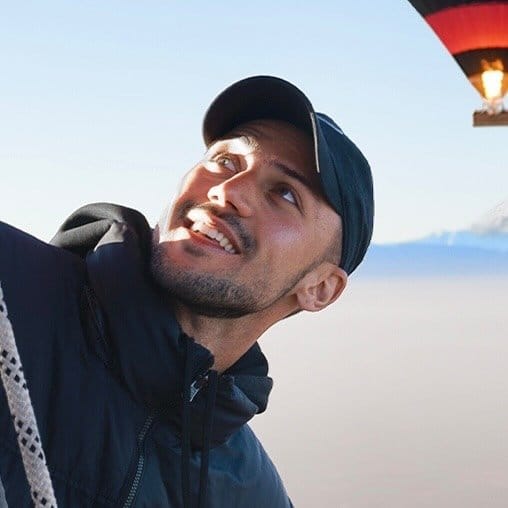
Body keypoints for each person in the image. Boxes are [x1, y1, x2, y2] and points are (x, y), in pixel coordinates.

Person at [0, 75, 374, 507]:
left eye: (284, 193)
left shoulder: (253, 495)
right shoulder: (11, 294)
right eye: (227, 161)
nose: (227, 190)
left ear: (321, 289)